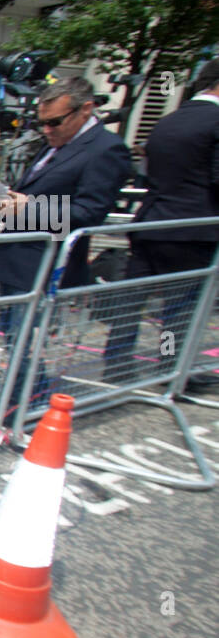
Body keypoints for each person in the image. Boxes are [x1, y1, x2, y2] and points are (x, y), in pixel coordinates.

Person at [104, 59, 219, 392]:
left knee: (131, 301)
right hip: (191, 229)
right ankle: (169, 367)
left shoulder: (168, 121)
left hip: (150, 222)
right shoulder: (214, 122)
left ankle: (118, 363)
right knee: (178, 310)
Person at [0, 77, 133, 293]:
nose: (47, 130)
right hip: (16, 263)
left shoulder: (106, 149)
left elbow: (88, 213)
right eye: (42, 123)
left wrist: (26, 207)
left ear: (85, 109)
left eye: (54, 122)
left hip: (45, 271)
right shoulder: (56, 142)